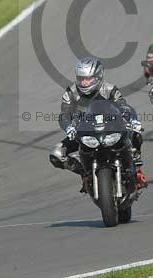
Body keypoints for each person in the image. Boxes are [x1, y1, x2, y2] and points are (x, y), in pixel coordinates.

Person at [49, 57, 147, 191]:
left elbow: (124, 106)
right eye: (81, 78)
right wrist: (69, 127)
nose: (84, 82)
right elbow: (64, 114)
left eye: (88, 79)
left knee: (135, 134)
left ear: (98, 76)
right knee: (56, 154)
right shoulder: (71, 93)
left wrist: (132, 120)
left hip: (110, 128)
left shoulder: (109, 88)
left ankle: (136, 162)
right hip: (84, 132)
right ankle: (85, 173)